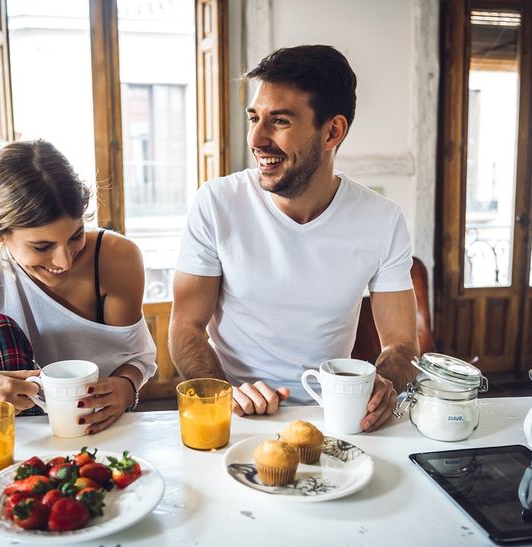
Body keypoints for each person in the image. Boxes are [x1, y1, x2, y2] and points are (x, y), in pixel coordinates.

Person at [168, 45, 418, 432]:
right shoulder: (216, 203)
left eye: (279, 121)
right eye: (254, 118)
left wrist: (383, 383)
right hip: (235, 414)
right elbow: (185, 327)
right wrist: (222, 392)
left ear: (332, 131)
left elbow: (401, 344)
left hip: (335, 417)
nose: (257, 138)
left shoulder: (382, 220)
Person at [0, 139, 156, 433]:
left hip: (89, 429)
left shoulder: (116, 259)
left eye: (76, 236)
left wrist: (126, 386)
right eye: (42, 246)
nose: (64, 261)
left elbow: (135, 357)